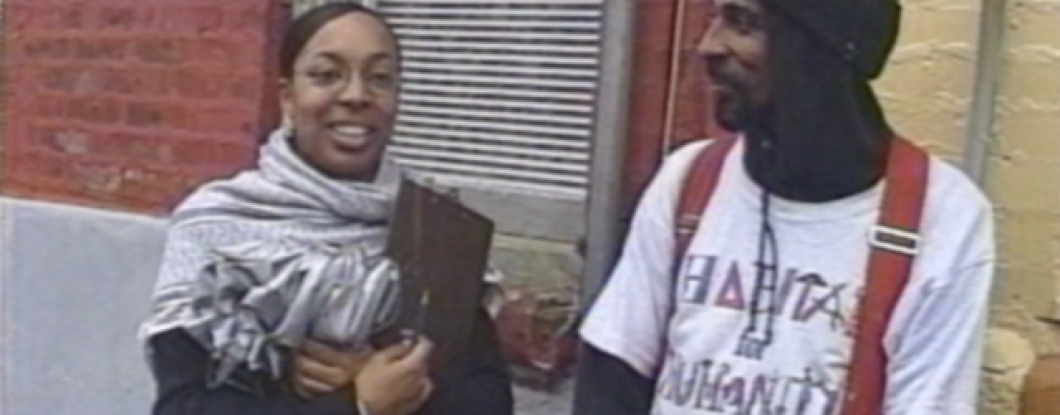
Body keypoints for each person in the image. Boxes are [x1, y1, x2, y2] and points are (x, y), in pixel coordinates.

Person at [574, 0, 995, 414]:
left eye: (743, 22)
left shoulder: (939, 214)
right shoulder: (689, 178)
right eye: (714, 17)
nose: (708, 46)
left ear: (817, 45)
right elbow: (614, 374)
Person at [138, 4, 513, 415]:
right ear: (287, 97)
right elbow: (183, 406)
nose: (356, 95)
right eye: (326, 75)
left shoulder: (435, 229)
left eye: (380, 78)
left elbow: (489, 401)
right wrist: (356, 404)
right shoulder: (219, 228)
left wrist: (405, 391)